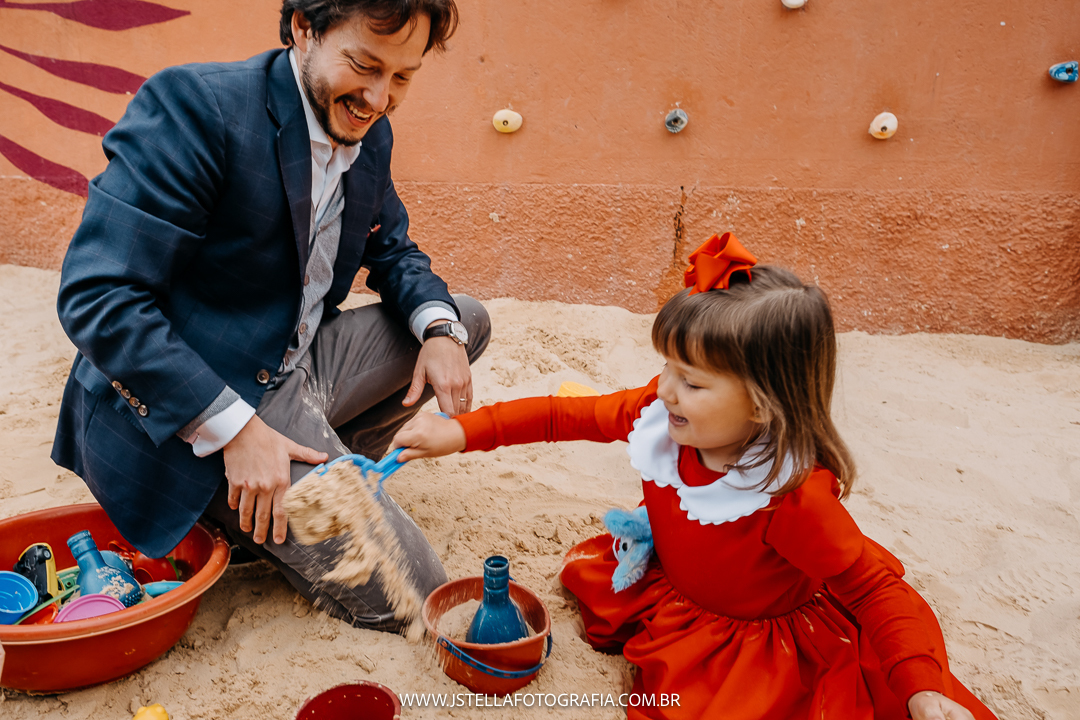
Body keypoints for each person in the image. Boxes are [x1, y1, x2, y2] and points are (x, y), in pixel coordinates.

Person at [390, 234, 999, 719]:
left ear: (763, 403)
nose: (666, 390)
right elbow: (561, 415)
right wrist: (461, 433)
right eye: (668, 367)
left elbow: (875, 592)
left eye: (694, 381)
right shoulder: (661, 413)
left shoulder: (790, 498)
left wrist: (921, 687)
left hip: (751, 636)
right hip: (676, 582)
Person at [52, 0, 488, 632]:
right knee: (418, 598)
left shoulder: (368, 130)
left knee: (465, 322)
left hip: (292, 362)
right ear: (304, 29)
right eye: (364, 65)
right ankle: (248, 490)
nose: (379, 99)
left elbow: (392, 248)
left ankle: (307, 468)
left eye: (402, 77)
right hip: (201, 392)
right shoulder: (196, 106)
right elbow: (98, 295)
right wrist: (234, 430)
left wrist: (441, 331)